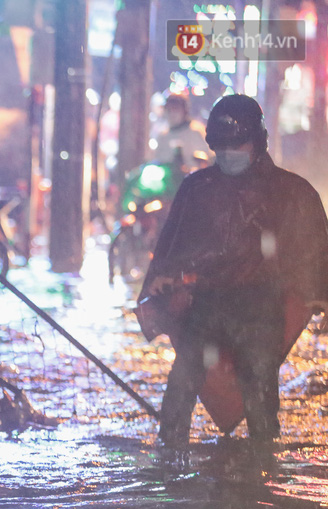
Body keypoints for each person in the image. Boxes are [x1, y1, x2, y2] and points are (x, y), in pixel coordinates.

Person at [139, 94, 328, 456]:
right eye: (220, 146)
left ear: (256, 142)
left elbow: (312, 252)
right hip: (207, 304)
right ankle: (169, 451)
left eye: (235, 144)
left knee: (259, 391)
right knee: (183, 380)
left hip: (260, 308)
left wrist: (317, 295)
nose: (228, 154)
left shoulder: (291, 192)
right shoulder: (198, 189)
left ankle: (260, 467)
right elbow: (173, 247)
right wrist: (163, 279)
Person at [150, 93, 212, 170]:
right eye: (169, 110)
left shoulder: (197, 132)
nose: (172, 114)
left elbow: (209, 159)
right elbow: (158, 162)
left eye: (176, 109)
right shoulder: (163, 137)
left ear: (184, 111)